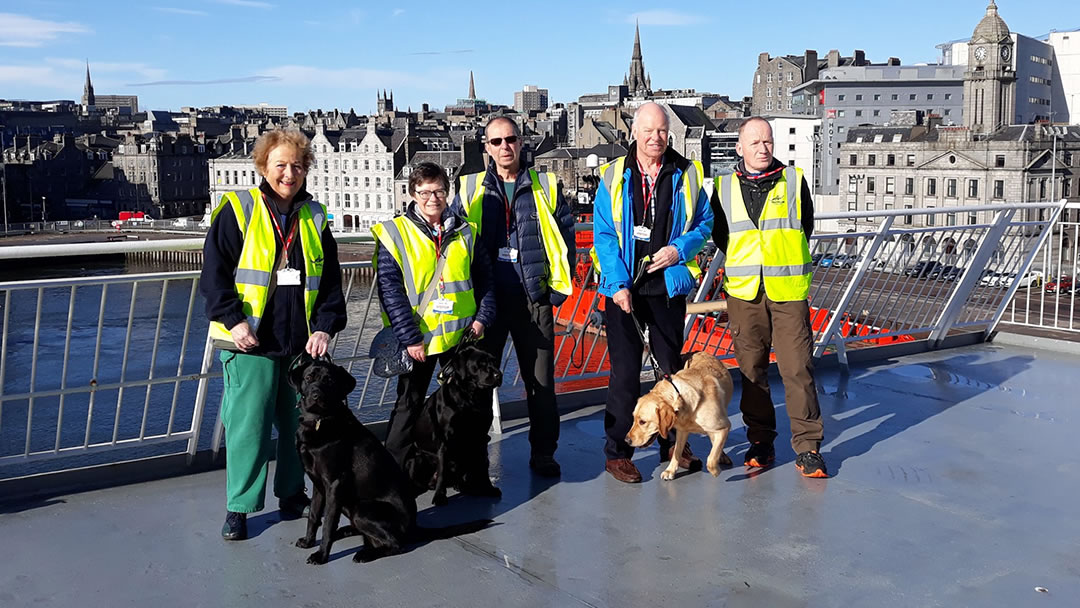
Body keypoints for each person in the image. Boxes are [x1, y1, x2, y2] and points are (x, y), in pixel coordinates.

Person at [202, 128, 347, 540]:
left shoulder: (315, 216)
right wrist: (235, 321)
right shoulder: (238, 209)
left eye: (297, 166)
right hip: (250, 341)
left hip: (299, 342)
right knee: (249, 425)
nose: (289, 173)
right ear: (263, 166)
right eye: (281, 165)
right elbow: (214, 276)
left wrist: (324, 326)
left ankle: (291, 492)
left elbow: (331, 282)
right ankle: (240, 507)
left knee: (298, 423)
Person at [592, 102, 714, 483]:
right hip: (626, 289)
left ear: (669, 134)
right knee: (625, 374)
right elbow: (605, 235)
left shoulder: (687, 174)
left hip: (666, 288)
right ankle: (618, 453)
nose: (655, 137)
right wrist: (617, 285)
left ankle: (673, 446)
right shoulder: (613, 176)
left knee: (672, 375)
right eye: (648, 130)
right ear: (634, 133)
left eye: (661, 131)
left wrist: (679, 249)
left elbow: (705, 223)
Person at [451, 116, 574, 478]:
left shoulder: (546, 184)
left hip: (532, 300)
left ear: (521, 143)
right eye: (496, 141)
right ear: (486, 147)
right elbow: (453, 240)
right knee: (475, 385)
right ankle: (473, 457)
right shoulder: (469, 187)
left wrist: (552, 294)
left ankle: (544, 454)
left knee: (541, 383)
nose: (505, 147)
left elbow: (566, 237)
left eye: (511, 139)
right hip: (486, 304)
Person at [709, 117, 827, 478]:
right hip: (745, 293)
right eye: (755, 143)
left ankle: (808, 447)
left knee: (797, 368)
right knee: (752, 371)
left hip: (788, 291)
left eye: (768, 142)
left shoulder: (793, 181)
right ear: (739, 148)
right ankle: (761, 441)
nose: (763, 149)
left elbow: (804, 225)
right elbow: (720, 234)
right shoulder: (723, 186)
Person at [372, 162, 496, 487]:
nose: (432, 198)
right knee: (407, 408)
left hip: (460, 339)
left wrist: (482, 319)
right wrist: (410, 338)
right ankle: (392, 480)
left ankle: (472, 476)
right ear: (413, 194)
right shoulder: (395, 233)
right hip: (419, 342)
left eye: (439, 190)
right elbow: (390, 290)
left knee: (471, 410)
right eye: (425, 191)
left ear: (447, 192)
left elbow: (485, 279)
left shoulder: (467, 232)